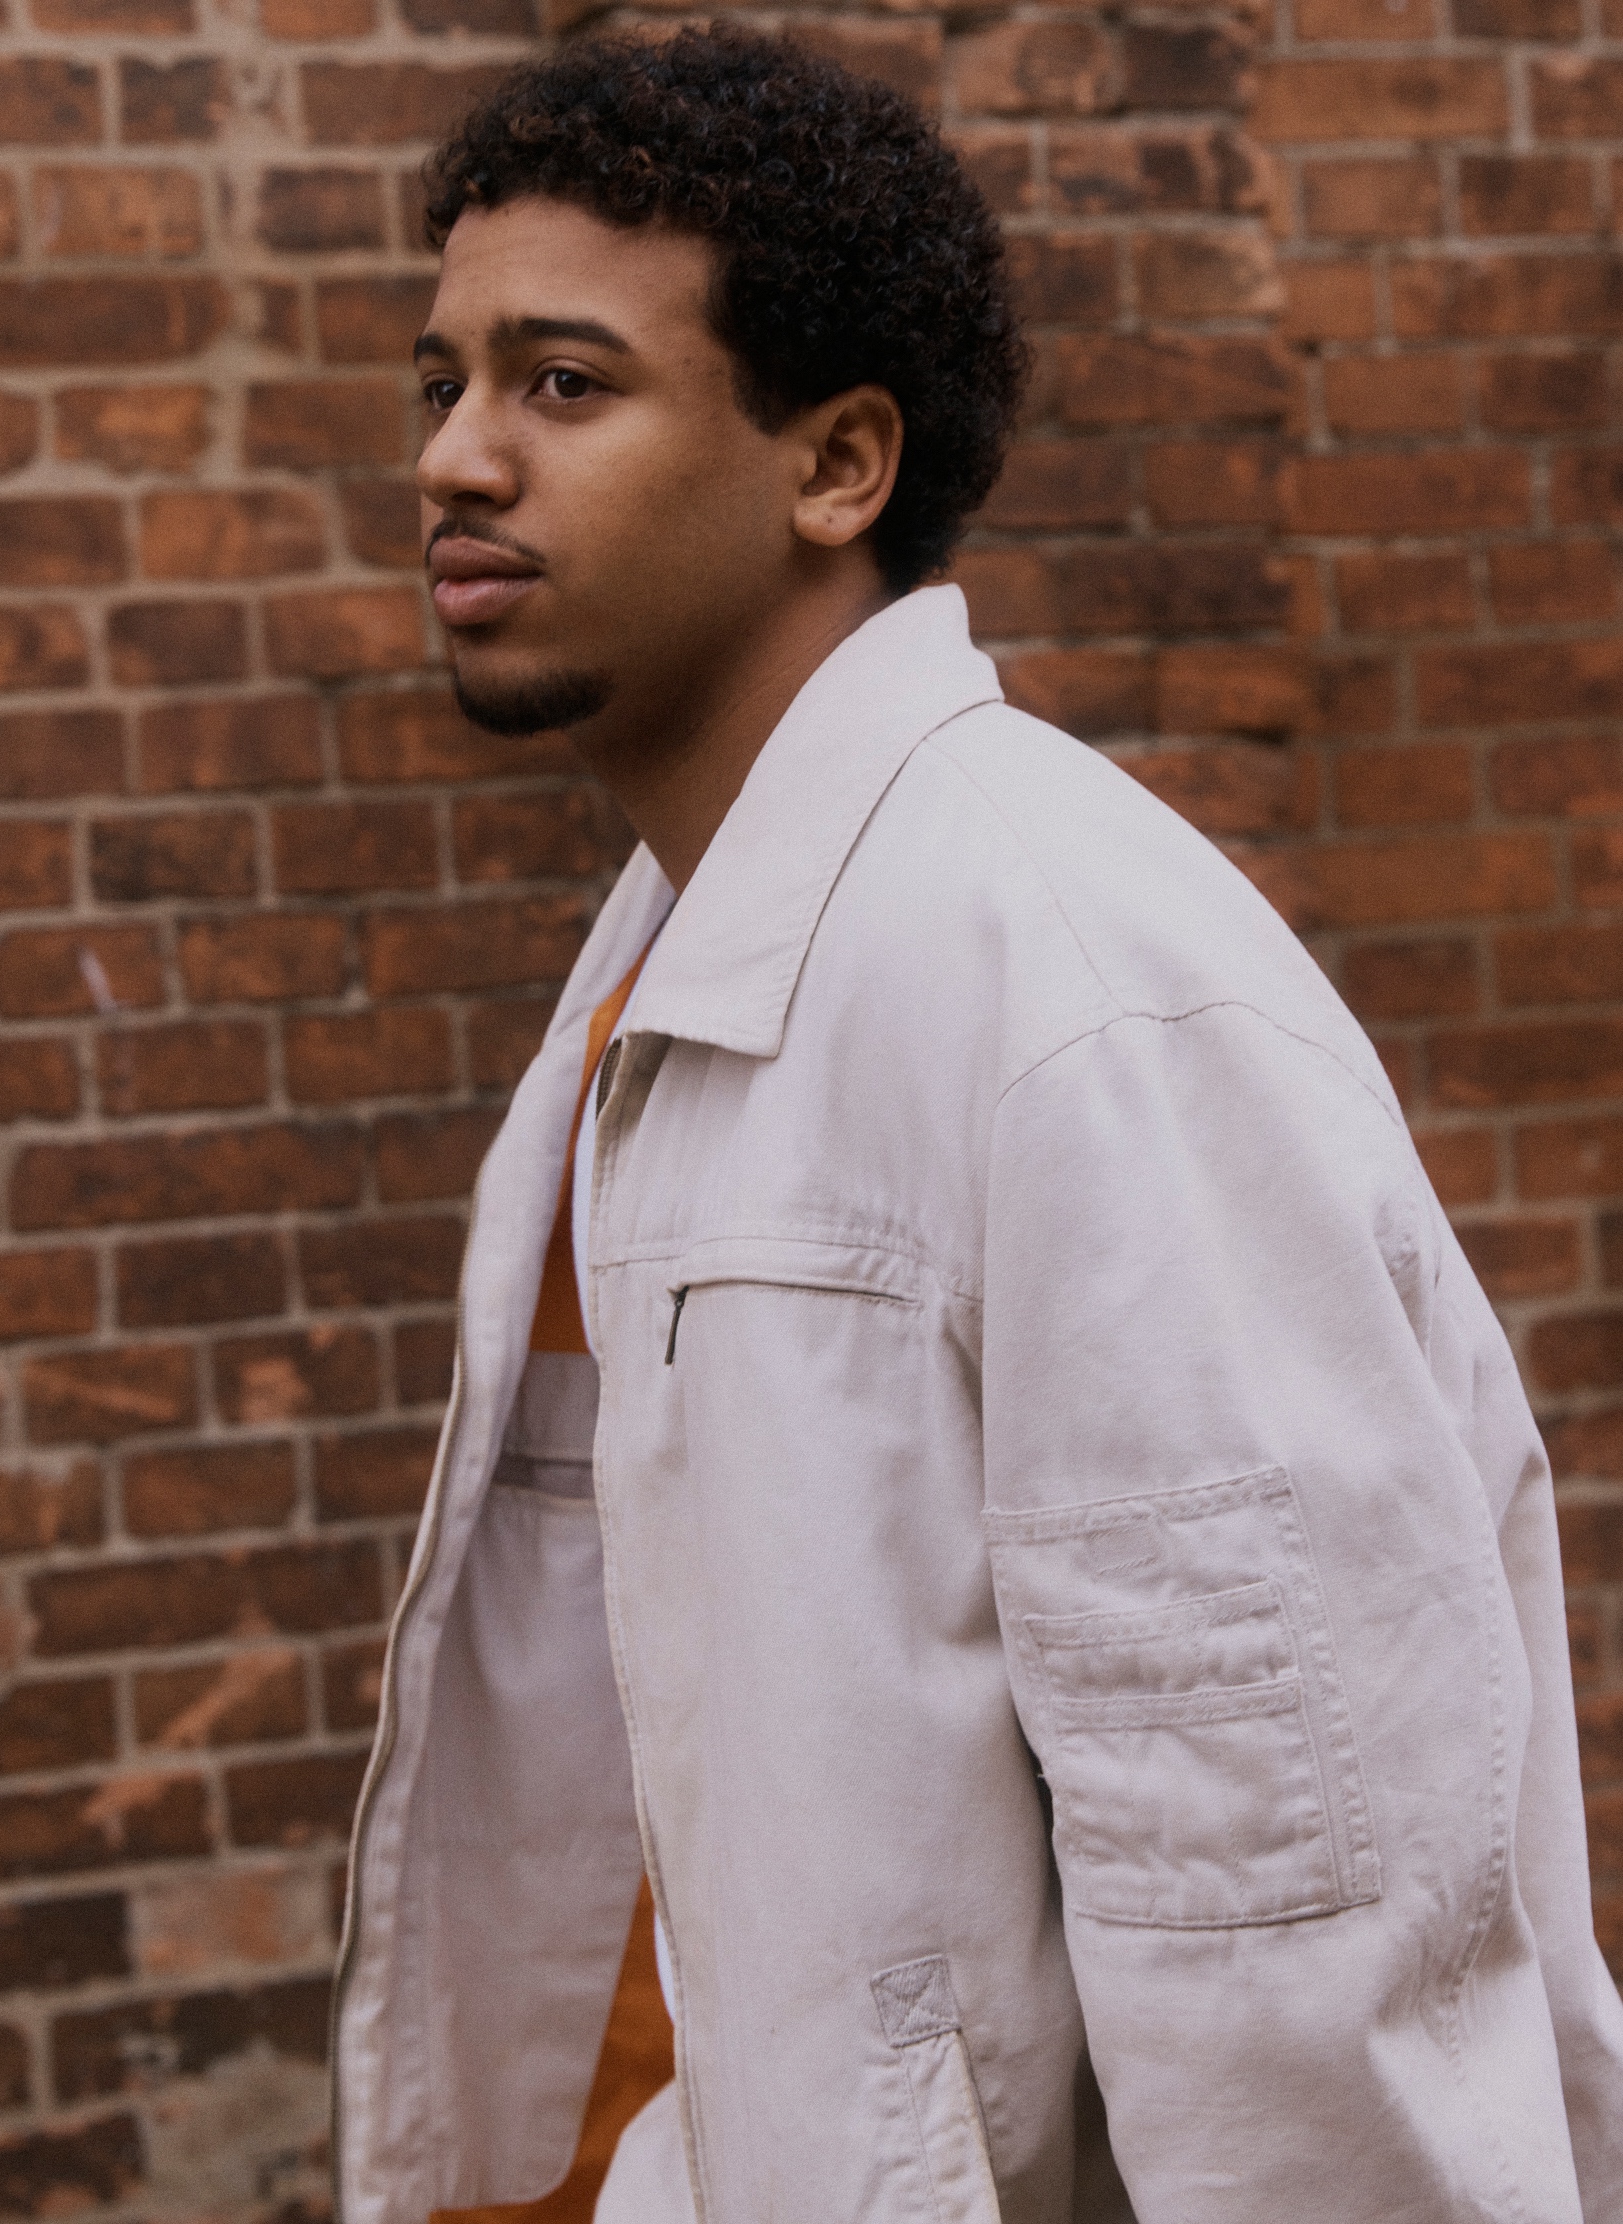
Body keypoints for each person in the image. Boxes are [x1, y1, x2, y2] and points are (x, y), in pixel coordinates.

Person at [330, 27, 1623, 2224]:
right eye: (440, 380)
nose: (457, 456)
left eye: (564, 383)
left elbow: (1295, 1936)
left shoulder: (1073, 998)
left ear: (837, 462)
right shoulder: (675, 956)